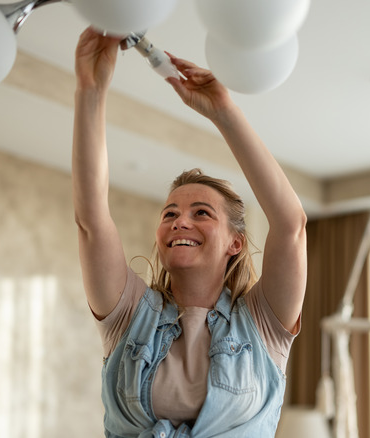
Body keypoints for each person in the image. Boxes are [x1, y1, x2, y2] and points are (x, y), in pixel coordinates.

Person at [72, 26, 307, 437]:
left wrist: (223, 111)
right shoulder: (128, 318)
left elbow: (291, 226)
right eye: (170, 213)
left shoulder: (262, 325)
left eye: (201, 212)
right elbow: (91, 219)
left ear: (235, 243)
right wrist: (90, 89)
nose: (181, 221)